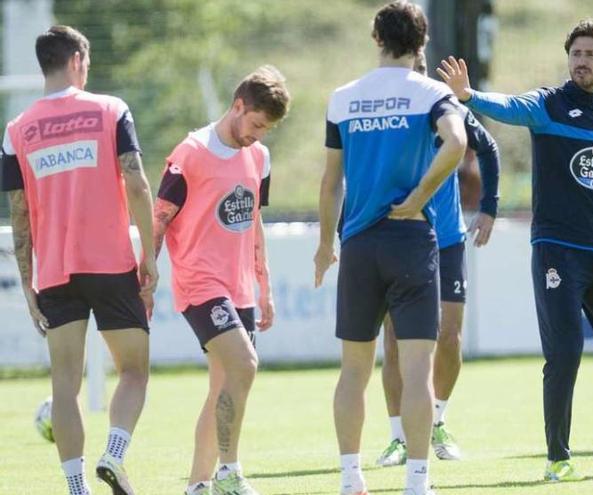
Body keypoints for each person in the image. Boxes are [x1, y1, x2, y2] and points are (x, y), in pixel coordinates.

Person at [437, 18, 593, 480]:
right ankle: (558, 457)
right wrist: (470, 97)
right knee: (563, 354)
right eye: (576, 54)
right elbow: (509, 106)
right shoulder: (548, 104)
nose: (581, 62)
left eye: (590, 55)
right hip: (557, 248)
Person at [314, 2, 467, 494]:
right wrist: (421, 195)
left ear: (376, 38)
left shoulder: (343, 98)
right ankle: (417, 482)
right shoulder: (431, 93)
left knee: (353, 370)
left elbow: (331, 180)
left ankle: (349, 477)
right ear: (421, 44)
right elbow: (458, 142)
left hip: (358, 243)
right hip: (410, 239)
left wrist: (323, 244)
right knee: (417, 369)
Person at [1, 25, 156, 495]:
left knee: (64, 386)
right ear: (76, 61)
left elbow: (18, 211)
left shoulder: (15, 130)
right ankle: (113, 454)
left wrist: (28, 285)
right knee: (133, 371)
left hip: (53, 271)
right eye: (85, 64)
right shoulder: (111, 109)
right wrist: (148, 255)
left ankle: (75, 488)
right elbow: (136, 182)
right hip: (109, 262)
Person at [152, 65, 289, 495]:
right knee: (245, 364)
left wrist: (264, 286)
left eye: (266, 130)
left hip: (240, 285)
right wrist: (144, 280)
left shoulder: (259, 157)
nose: (258, 135)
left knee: (222, 387)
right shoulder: (190, 152)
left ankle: (197, 485)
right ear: (238, 106)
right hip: (199, 283)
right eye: (255, 124)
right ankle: (229, 472)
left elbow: (254, 222)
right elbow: (158, 221)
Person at [376, 51, 501, 467]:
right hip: (399, 236)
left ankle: (437, 422)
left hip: (446, 240)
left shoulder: (445, 108)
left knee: (449, 338)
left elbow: (489, 148)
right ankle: (397, 436)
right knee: (394, 341)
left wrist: (489, 207)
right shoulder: (384, 111)